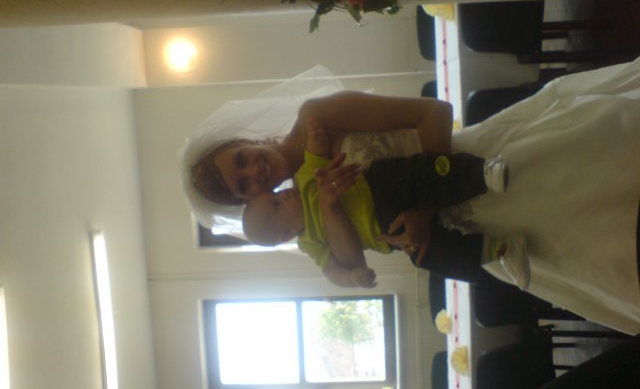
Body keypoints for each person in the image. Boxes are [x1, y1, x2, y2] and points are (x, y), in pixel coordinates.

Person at [181, 61, 640, 335]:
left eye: (241, 158)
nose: (254, 171)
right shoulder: (306, 218)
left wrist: (423, 209)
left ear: (244, 141)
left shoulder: (316, 118)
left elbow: (433, 113)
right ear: (247, 203)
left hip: (481, 169)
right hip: (478, 233)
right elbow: (353, 259)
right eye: (244, 185)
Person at [242, 118, 530, 289]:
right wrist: (352, 278)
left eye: (275, 194)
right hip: (389, 233)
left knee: (424, 174)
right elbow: (332, 273)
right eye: (277, 206)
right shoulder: (310, 243)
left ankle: (481, 173)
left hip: (380, 188)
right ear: (287, 234)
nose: (283, 195)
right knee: (427, 256)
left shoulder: (305, 182)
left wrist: (316, 140)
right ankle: (500, 249)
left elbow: (315, 157)